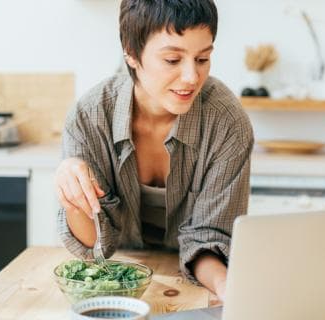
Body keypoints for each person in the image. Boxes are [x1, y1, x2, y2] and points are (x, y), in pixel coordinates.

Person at [55, 0, 254, 301]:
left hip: (195, 281)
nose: (191, 77)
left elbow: (210, 240)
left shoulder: (226, 122)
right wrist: (73, 197)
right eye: (173, 60)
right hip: (119, 279)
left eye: (202, 59)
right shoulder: (90, 116)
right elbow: (94, 245)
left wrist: (228, 289)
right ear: (132, 54)